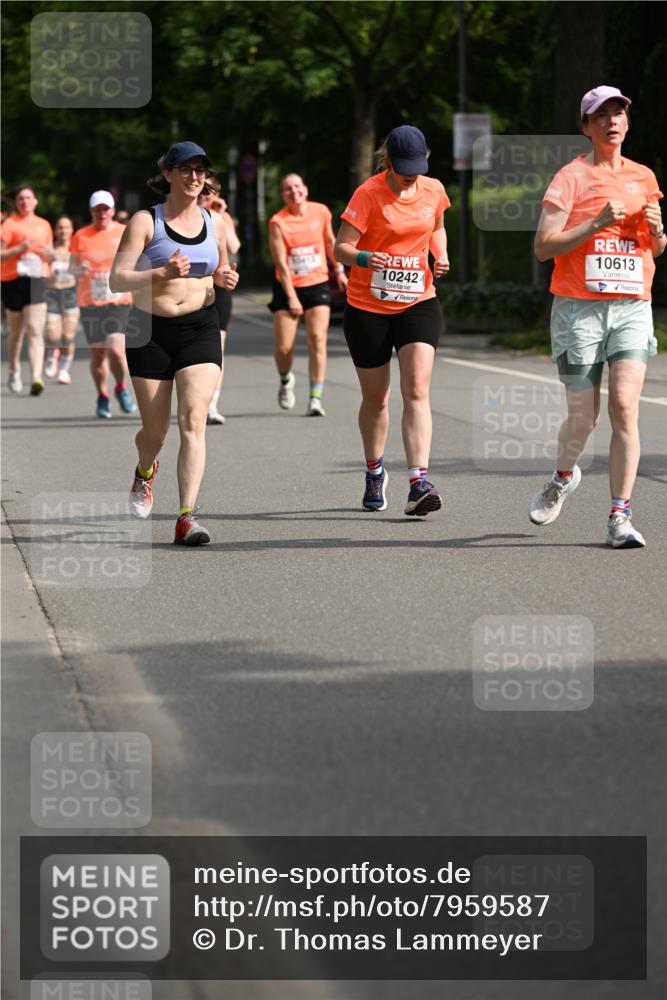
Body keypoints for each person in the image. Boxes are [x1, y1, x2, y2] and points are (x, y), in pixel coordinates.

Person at [530, 86, 665, 549]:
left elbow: (657, 246)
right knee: (582, 419)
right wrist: (594, 223)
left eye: (619, 112)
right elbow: (543, 247)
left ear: (627, 122)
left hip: (631, 305)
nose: (612, 121)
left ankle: (619, 517)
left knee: (625, 407)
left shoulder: (644, 177)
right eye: (601, 115)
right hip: (578, 310)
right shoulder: (570, 177)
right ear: (586, 126)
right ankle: (563, 475)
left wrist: (658, 231)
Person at [109, 140, 239, 546]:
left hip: (200, 326)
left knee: (194, 420)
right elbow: (117, 279)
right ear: (168, 174)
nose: (194, 176)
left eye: (200, 170)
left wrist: (225, 279)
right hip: (149, 331)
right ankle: (145, 470)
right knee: (155, 431)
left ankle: (187, 516)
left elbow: (219, 269)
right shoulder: (146, 222)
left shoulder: (213, 221)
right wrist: (161, 273)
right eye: (185, 169)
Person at [334, 125, 450, 515]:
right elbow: (341, 248)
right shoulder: (368, 194)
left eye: (417, 168)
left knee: (417, 388)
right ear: (390, 161)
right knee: (376, 398)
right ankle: (374, 469)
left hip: (418, 298)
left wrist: (441, 254)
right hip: (368, 305)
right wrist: (366, 258)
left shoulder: (433, 190)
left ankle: (419, 481)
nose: (410, 176)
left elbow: (437, 227)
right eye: (403, 169)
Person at [268, 173, 347, 416]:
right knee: (284, 347)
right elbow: (281, 263)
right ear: (284, 195)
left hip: (317, 283)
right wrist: (291, 296)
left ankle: (315, 397)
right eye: (288, 189)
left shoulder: (321, 212)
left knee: (317, 339)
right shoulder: (277, 222)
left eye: (297, 186)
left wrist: (340, 270)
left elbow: (330, 242)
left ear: (305, 189)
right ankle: (285, 379)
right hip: (287, 286)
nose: (294, 191)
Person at [69, 191, 137, 418]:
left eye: (106, 208)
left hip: (119, 300)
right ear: (91, 211)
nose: (102, 213)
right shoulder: (81, 236)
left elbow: (135, 262)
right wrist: (81, 269)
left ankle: (120, 387)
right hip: (90, 301)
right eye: (97, 209)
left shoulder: (123, 232)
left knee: (116, 350)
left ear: (113, 210)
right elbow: (72, 268)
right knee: (98, 354)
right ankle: (102, 395)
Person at [1, 185, 53, 395]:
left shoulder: (44, 225)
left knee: (34, 328)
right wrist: (19, 249)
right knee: (16, 330)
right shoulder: (9, 224)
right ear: (16, 202)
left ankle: (36, 377)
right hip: (12, 279)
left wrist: (49, 253)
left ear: (35, 201)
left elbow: (50, 254)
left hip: (37, 278)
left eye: (29, 198)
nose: (25, 202)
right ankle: (14, 368)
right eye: (21, 198)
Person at [198, 180, 241, 425]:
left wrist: (222, 213)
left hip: (220, 287)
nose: (207, 195)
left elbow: (234, 246)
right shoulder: (188, 217)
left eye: (212, 192)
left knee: (218, 347)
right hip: (195, 287)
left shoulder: (220, 218)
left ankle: (212, 404)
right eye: (205, 190)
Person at [44, 215, 79, 384]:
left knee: (68, 335)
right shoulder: (49, 250)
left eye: (67, 227)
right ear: (55, 230)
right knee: (52, 335)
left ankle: (64, 370)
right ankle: (52, 354)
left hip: (71, 294)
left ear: (72, 229)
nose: (63, 231)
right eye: (60, 227)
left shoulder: (77, 249)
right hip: (51, 294)